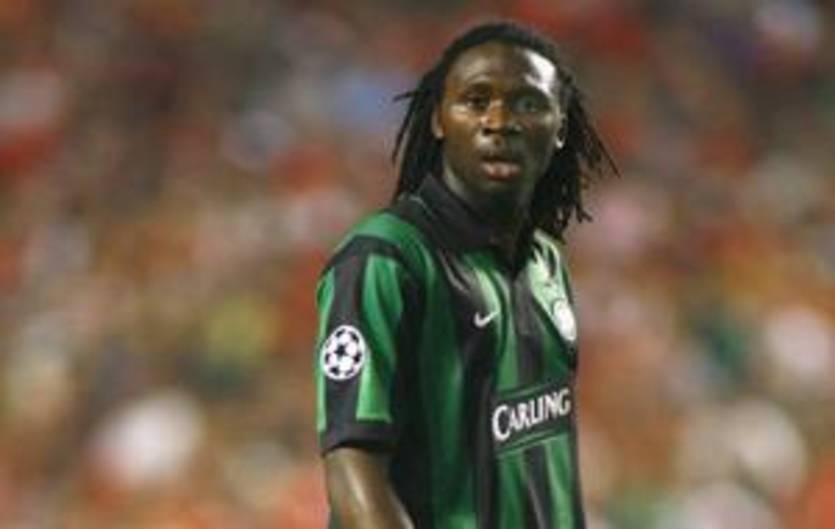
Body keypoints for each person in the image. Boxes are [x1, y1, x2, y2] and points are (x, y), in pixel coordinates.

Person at [313, 20, 617, 529]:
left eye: (528, 103)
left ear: (560, 127)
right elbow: (352, 468)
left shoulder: (545, 262)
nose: (499, 121)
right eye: (476, 101)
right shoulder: (387, 257)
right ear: (438, 119)